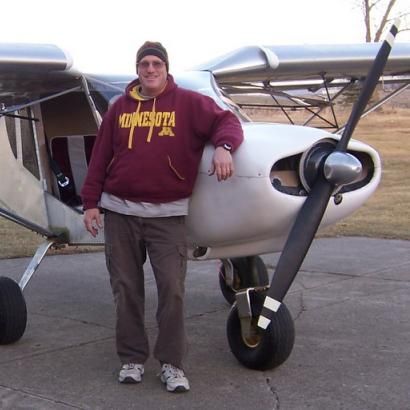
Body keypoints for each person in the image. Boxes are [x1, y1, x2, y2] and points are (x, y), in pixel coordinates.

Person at [81, 41, 244, 393]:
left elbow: (227, 121)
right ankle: (132, 359)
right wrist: (91, 202)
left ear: (166, 68)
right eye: (144, 64)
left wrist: (224, 148)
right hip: (120, 211)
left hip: (167, 216)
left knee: (173, 290)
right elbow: (100, 156)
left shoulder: (188, 103)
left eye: (156, 63)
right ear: (137, 69)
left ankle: (171, 364)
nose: (150, 69)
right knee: (126, 288)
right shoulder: (119, 108)